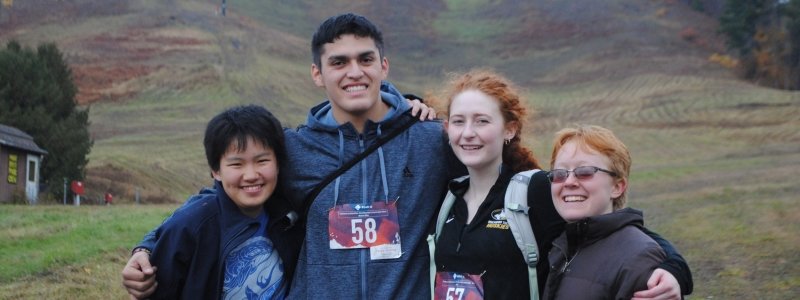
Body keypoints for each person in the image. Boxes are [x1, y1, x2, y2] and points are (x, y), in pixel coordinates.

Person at [122, 13, 450, 299]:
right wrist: (148, 246)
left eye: (365, 59)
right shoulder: (294, 148)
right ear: (317, 74)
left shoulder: (431, 141)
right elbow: (221, 195)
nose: (354, 72)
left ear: (383, 66)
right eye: (338, 62)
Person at [431, 69, 692, 299]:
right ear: (447, 128)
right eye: (458, 121)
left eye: (482, 121)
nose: (468, 132)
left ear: (509, 129)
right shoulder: (447, 197)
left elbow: (610, 229)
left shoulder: (533, 191)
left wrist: (675, 268)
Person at [143, 105, 303, 299]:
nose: (251, 175)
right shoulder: (190, 226)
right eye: (236, 164)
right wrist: (142, 250)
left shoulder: (290, 217)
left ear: (278, 164)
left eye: (262, 161)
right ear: (215, 171)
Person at [542, 124, 672, 299]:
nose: (569, 181)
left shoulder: (638, 260)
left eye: (585, 171)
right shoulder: (558, 245)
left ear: (617, 187)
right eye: (559, 173)